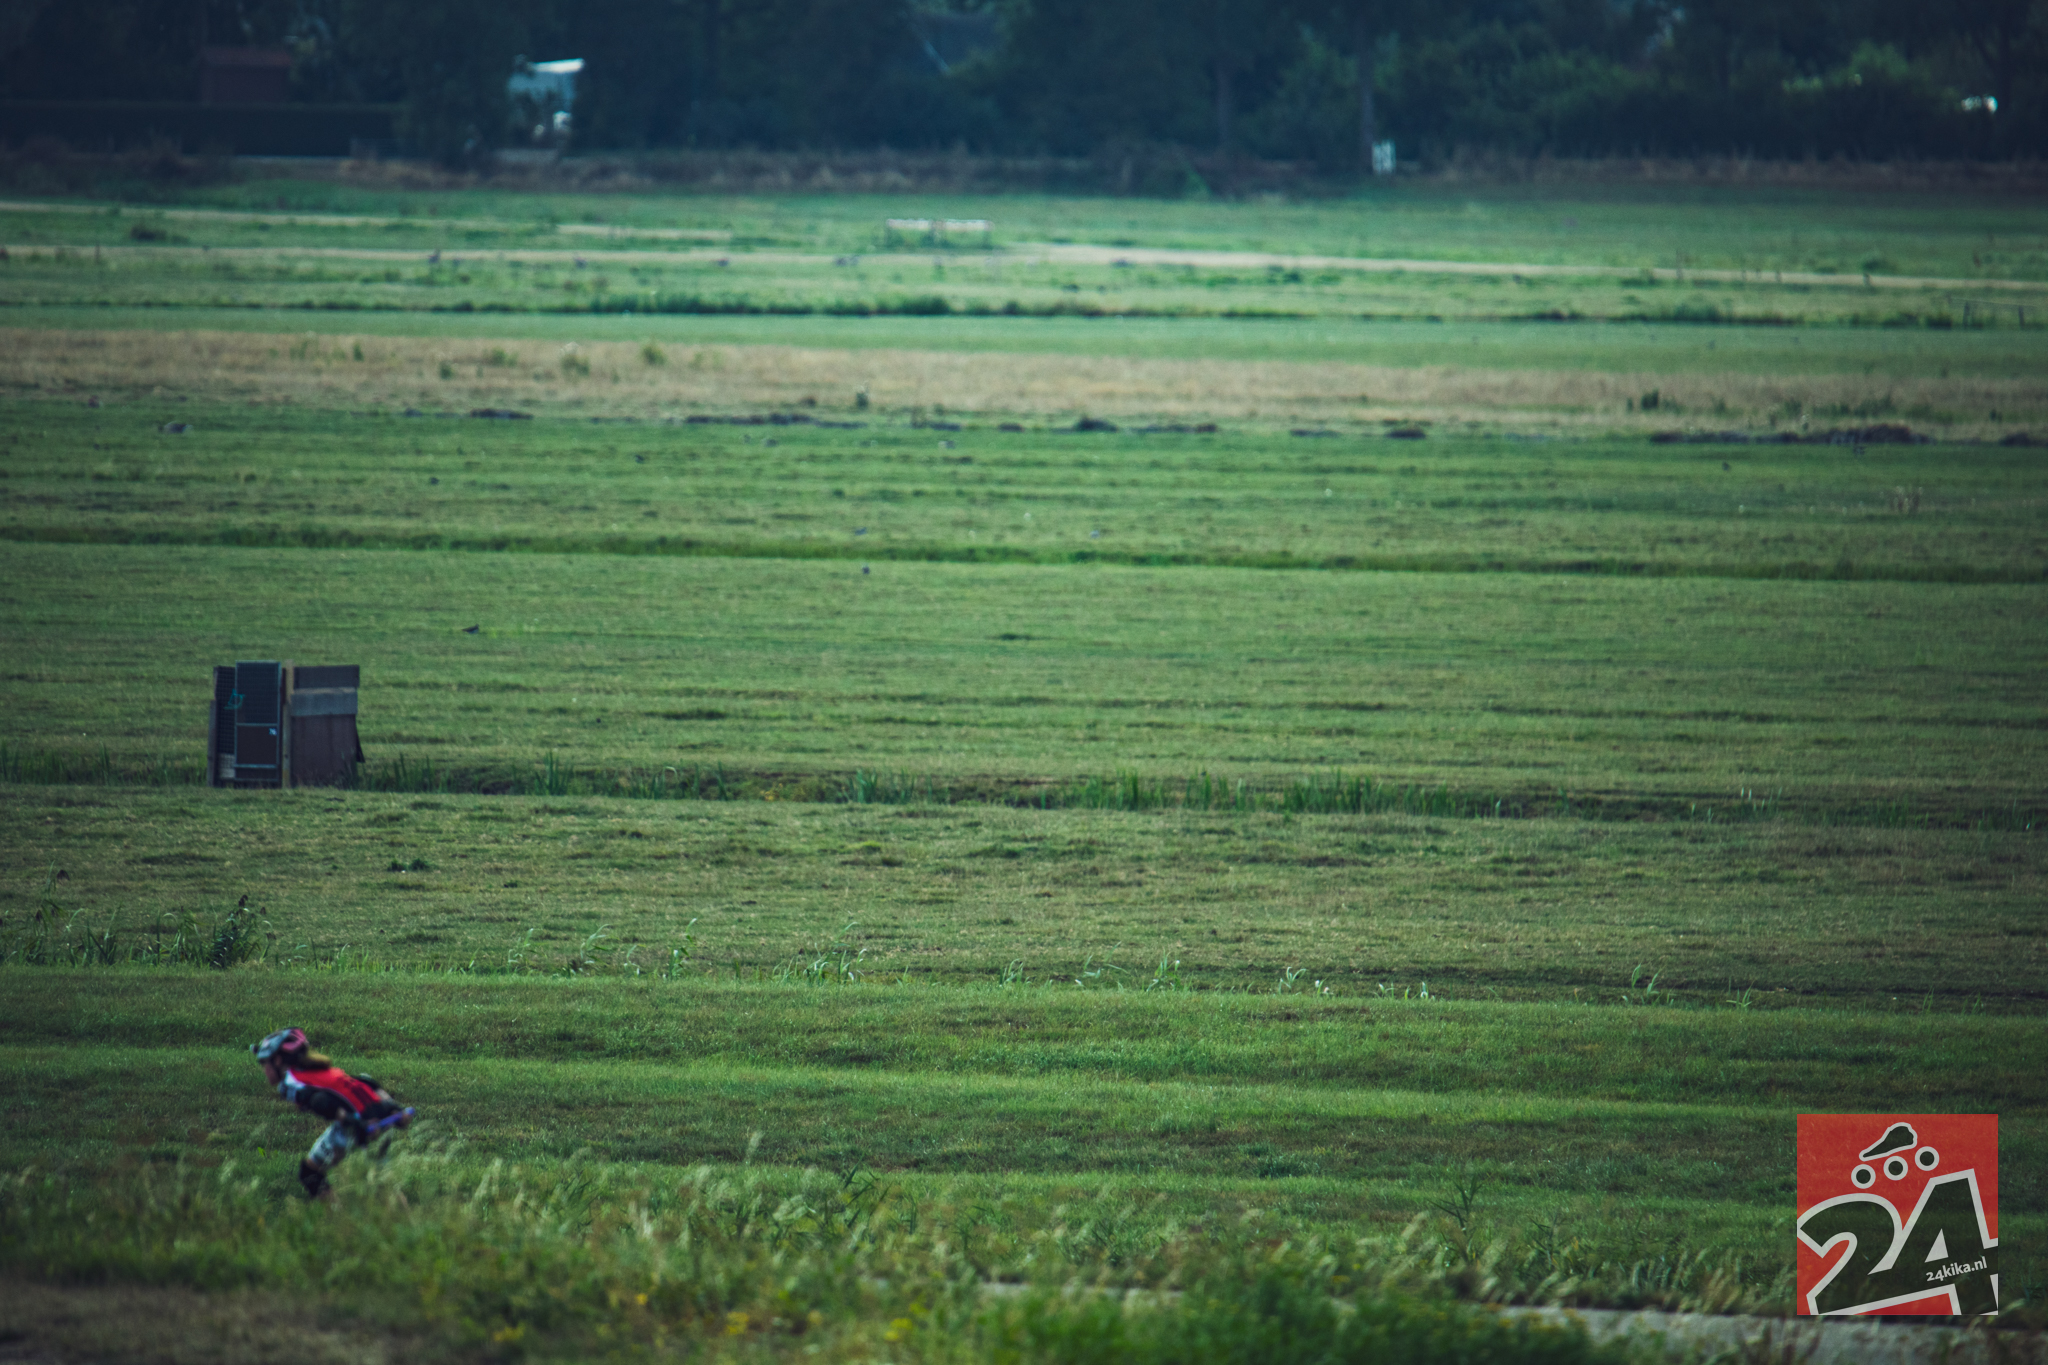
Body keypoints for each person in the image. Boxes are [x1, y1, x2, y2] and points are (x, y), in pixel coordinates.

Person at [250, 1027, 414, 1198]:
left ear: (277, 1060)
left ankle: (337, 1212)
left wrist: (353, 1123)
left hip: (359, 1127)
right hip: (380, 1116)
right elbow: (366, 1081)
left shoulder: (290, 1082)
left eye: (263, 1063)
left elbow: (321, 1102)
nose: (264, 1069)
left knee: (310, 1174)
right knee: (382, 1184)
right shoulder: (318, 1070)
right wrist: (394, 1108)